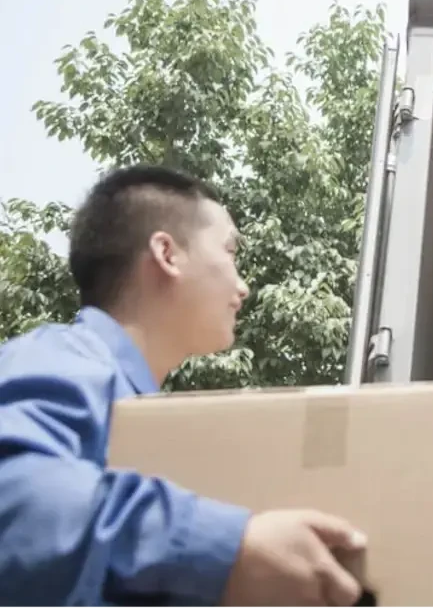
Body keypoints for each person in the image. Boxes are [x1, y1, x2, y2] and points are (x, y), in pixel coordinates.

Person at [0, 166, 368, 607]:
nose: (243, 286)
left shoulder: (134, 406)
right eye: (230, 251)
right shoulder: (63, 356)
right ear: (167, 254)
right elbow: (15, 496)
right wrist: (230, 551)